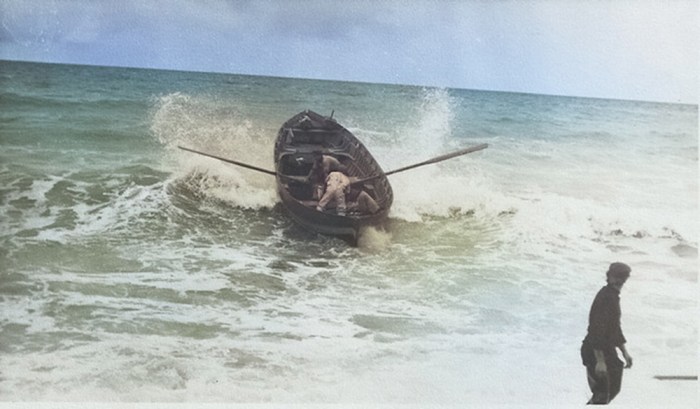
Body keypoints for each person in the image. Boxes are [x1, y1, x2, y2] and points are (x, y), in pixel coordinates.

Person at [580, 262, 633, 405]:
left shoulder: (613, 296)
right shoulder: (605, 297)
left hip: (607, 349)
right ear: (609, 277)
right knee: (602, 394)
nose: (619, 281)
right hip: (594, 350)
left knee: (613, 388)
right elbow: (596, 329)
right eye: (616, 277)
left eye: (622, 278)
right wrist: (600, 361)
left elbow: (615, 328)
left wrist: (624, 352)